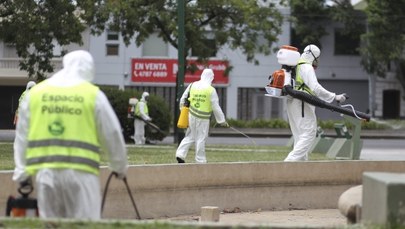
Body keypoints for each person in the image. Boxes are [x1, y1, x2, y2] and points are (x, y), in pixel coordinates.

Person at [12, 50, 128, 220]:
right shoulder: (93, 95)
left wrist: (22, 174)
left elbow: (22, 138)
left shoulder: (36, 94)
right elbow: (112, 134)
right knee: (85, 225)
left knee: (52, 224)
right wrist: (119, 167)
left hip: (47, 175)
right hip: (82, 176)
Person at [284, 44, 347, 161]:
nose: (318, 60)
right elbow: (315, 88)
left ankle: (301, 167)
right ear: (313, 56)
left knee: (300, 137)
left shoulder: (296, 65)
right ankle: (288, 163)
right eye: (317, 57)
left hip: (293, 102)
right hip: (302, 103)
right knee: (309, 133)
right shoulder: (306, 67)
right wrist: (335, 97)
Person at [175, 68, 229, 163]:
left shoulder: (192, 85)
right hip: (203, 118)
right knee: (201, 138)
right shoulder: (211, 90)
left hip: (191, 115)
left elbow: (183, 99)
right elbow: (215, 106)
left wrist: (183, 112)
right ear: (211, 78)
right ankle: (200, 160)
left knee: (190, 135)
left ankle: (180, 154)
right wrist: (222, 121)